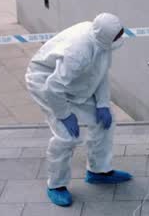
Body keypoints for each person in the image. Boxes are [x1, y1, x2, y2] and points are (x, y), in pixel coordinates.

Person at [25, 13, 132, 207]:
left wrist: (102, 104)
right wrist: (64, 115)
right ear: (107, 37)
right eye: (117, 36)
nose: (119, 39)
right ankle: (56, 185)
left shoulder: (101, 38)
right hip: (45, 81)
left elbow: (100, 73)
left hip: (71, 83)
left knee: (105, 122)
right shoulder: (79, 52)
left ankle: (98, 171)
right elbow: (53, 87)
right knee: (67, 137)